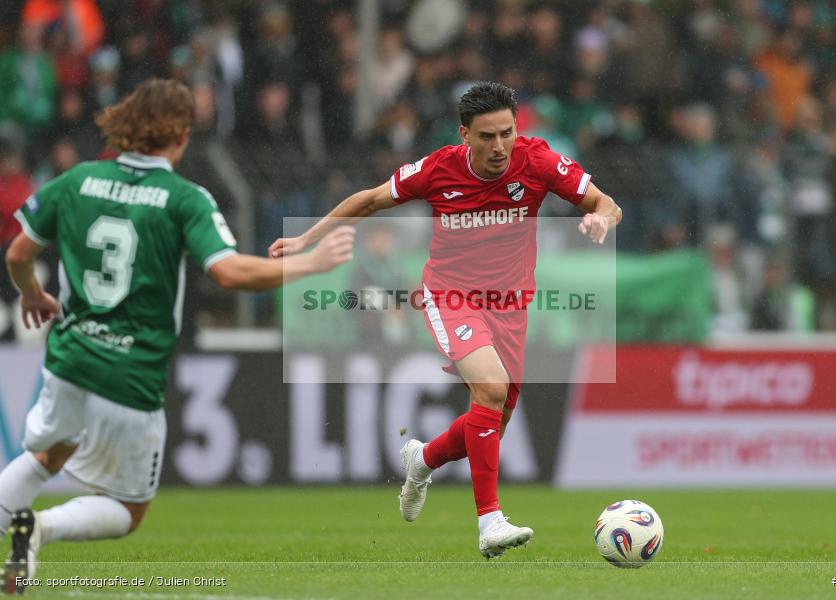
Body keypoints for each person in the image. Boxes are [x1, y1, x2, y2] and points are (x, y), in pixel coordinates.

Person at [0, 78, 354, 593]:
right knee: (128, 509)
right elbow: (229, 272)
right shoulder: (183, 198)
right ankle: (42, 529)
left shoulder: (76, 180)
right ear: (182, 135)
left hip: (69, 357)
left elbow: (17, 254)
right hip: (130, 371)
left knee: (43, 456)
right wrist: (308, 265)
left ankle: (21, 522)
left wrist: (31, 293)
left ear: (125, 122)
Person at [269, 81, 621, 558]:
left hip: (512, 305)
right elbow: (369, 200)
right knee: (491, 391)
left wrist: (601, 218)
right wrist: (306, 240)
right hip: (449, 294)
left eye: (507, 133)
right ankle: (489, 522)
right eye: (488, 136)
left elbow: (606, 203)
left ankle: (423, 458)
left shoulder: (537, 160)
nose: (500, 147)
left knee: (492, 419)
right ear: (464, 135)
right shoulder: (437, 170)